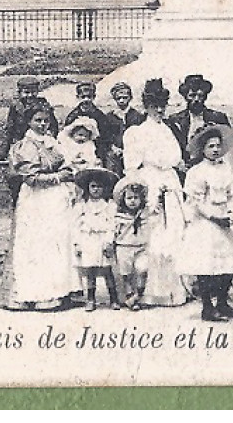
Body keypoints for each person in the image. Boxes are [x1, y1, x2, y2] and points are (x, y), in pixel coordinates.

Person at [2, 101, 79, 311]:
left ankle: (57, 292)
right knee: (37, 245)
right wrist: (59, 176)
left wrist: (65, 173)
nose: (42, 124)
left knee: (57, 243)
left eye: (46, 121)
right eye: (38, 120)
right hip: (36, 200)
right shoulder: (25, 145)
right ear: (29, 122)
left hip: (55, 200)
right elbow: (30, 177)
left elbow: (67, 164)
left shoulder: (52, 142)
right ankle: (37, 294)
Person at [121, 79, 189, 307]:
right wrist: (141, 189)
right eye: (154, 106)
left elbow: (176, 159)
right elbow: (131, 167)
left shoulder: (168, 130)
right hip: (149, 181)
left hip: (169, 182)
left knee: (174, 231)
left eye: (162, 105)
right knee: (153, 234)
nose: (159, 110)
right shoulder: (136, 132)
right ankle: (150, 291)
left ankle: (175, 290)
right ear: (146, 106)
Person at [180, 125, 233, 322]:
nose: (215, 150)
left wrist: (232, 212)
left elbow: (230, 193)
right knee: (207, 267)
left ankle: (222, 302)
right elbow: (196, 201)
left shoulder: (225, 168)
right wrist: (214, 217)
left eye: (218, 146)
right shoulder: (196, 172)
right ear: (203, 149)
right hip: (205, 222)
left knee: (229, 265)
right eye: (211, 146)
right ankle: (207, 308)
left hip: (224, 219)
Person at [72, 167, 120, 311]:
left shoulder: (109, 206)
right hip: (87, 239)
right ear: (87, 187)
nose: (96, 190)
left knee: (107, 269)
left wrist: (109, 241)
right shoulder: (82, 206)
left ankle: (114, 298)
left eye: (100, 187)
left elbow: (112, 224)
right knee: (90, 270)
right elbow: (75, 225)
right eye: (93, 186)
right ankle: (91, 299)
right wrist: (77, 244)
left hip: (103, 239)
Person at [168, 74, 231, 165]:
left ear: (205, 97)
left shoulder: (218, 118)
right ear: (185, 97)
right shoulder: (175, 120)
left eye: (200, 95)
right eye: (192, 95)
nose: (196, 99)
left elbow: (227, 146)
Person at [112, 178, 152, 310]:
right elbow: (113, 231)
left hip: (141, 247)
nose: (133, 201)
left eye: (136, 197)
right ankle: (131, 298)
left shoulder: (144, 214)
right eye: (129, 198)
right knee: (126, 274)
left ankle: (138, 295)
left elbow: (155, 209)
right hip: (124, 247)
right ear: (123, 200)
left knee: (143, 269)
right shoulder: (119, 216)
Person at [64, 81, 122, 167]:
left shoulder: (100, 116)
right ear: (78, 97)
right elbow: (67, 136)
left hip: (97, 149)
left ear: (94, 97)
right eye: (83, 97)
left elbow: (106, 136)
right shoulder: (73, 116)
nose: (86, 100)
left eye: (89, 97)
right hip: (76, 148)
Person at [4, 79, 53, 152]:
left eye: (33, 92)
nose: (30, 95)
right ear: (20, 93)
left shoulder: (43, 105)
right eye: (26, 92)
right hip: (21, 141)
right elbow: (10, 127)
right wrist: (6, 148)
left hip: (39, 141)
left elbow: (53, 126)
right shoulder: (16, 106)